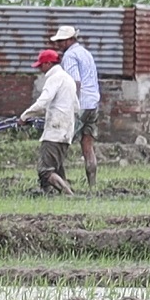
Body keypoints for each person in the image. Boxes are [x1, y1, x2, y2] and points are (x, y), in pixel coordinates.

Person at [19, 48, 77, 195]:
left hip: (55, 130)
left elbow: (43, 102)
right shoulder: (68, 78)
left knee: (45, 171)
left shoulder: (54, 78)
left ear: (49, 63)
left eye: (41, 65)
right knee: (57, 169)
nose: (39, 68)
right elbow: (76, 106)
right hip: (66, 129)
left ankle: (69, 195)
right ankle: (48, 196)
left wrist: (24, 116)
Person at [51, 25, 101, 188]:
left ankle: (60, 184)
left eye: (61, 41)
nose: (59, 44)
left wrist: (72, 104)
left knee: (59, 142)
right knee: (87, 146)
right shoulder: (86, 53)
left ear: (70, 40)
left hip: (81, 105)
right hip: (93, 103)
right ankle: (92, 186)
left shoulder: (70, 56)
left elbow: (75, 82)